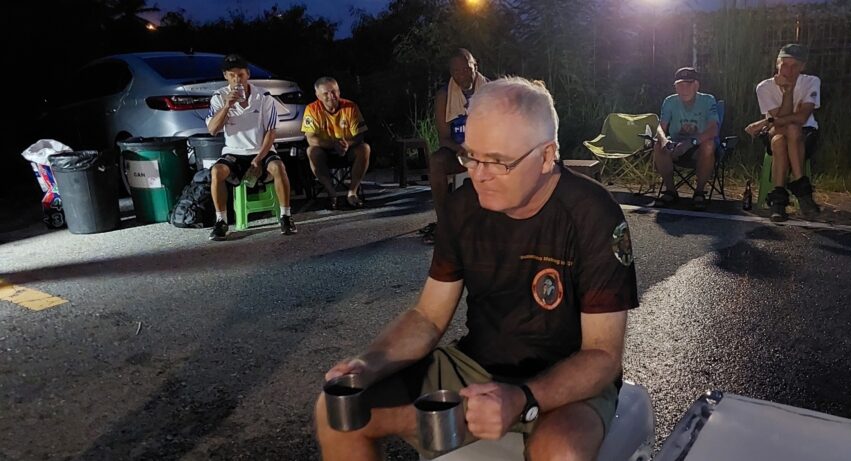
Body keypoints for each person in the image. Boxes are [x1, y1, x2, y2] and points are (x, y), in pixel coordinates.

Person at [315, 77, 639, 461]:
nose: (478, 174)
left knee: (561, 451)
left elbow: (602, 355)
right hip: (476, 366)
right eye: (471, 156)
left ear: (546, 157)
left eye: (497, 162)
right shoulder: (463, 207)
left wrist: (523, 398)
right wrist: (369, 364)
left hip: (567, 377)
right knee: (338, 413)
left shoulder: (592, 214)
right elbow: (428, 316)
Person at [206, 54, 296, 240]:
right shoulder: (219, 97)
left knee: (278, 167)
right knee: (216, 171)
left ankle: (286, 216)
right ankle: (221, 221)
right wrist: (227, 106)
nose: (237, 80)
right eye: (232, 75)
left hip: (261, 150)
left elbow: (271, 132)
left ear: (247, 74)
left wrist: (259, 158)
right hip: (234, 151)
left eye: (240, 74)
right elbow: (213, 130)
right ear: (225, 76)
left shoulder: (263, 96)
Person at [744, 43, 822, 222]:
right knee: (786, 131)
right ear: (777, 64)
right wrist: (788, 93)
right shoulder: (764, 87)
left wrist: (767, 121)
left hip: (805, 132)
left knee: (785, 136)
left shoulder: (811, 81)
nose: (789, 70)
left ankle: (778, 199)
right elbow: (785, 121)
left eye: (795, 65)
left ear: (803, 66)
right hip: (775, 131)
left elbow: (802, 118)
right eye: (785, 65)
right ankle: (803, 192)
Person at [420, 48, 489, 244]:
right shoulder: (444, 95)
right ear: (451, 73)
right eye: (456, 72)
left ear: (475, 66)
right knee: (437, 161)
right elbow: (444, 138)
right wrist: (462, 149)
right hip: (460, 151)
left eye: (467, 69)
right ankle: (444, 223)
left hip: (487, 150)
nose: (462, 75)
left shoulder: (491, 90)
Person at [653, 67, 719, 210]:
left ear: (696, 85)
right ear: (675, 87)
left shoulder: (708, 100)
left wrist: (690, 142)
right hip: (675, 144)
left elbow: (713, 129)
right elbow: (660, 127)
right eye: (680, 85)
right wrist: (664, 141)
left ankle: (699, 191)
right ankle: (670, 190)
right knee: (658, 145)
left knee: (709, 145)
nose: (684, 89)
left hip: (698, 145)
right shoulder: (669, 101)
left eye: (688, 84)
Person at [302, 76, 372, 210]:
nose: (331, 96)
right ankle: (331, 193)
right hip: (325, 150)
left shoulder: (350, 107)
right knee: (311, 151)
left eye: (334, 92)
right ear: (318, 96)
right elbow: (310, 138)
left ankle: (352, 192)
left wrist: (347, 144)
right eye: (326, 93)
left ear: (339, 92)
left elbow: (359, 135)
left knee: (365, 148)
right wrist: (333, 144)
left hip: (347, 148)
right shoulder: (311, 109)